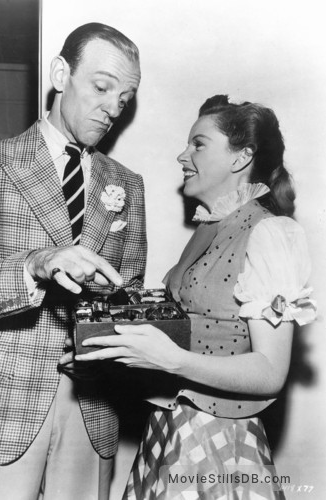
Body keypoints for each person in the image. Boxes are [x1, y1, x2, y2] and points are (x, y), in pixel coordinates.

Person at [75, 95, 316, 499]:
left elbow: (271, 372)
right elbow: (194, 331)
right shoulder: (211, 224)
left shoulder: (271, 233)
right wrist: (109, 351)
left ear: (241, 158)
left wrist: (170, 359)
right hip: (170, 428)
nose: (182, 155)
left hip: (220, 440)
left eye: (198, 144)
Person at [0, 22, 146, 500]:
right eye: (102, 87)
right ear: (61, 73)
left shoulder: (128, 184)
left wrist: (107, 343)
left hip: (92, 408)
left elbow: (132, 294)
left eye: (124, 99)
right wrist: (35, 264)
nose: (112, 109)